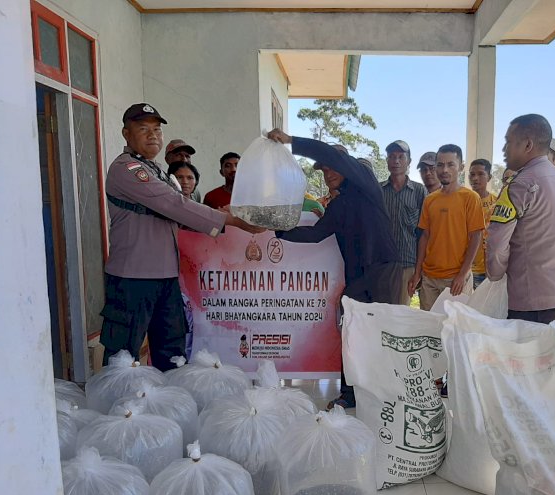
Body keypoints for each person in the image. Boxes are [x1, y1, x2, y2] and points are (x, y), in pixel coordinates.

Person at [101, 103, 263, 371]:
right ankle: (117, 409)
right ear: (126, 134)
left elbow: (180, 212)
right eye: (143, 129)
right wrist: (231, 220)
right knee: (122, 355)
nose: (153, 135)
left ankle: (168, 407)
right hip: (133, 278)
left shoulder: (155, 171)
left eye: (157, 129)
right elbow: (174, 205)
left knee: (172, 352)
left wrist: (225, 216)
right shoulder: (127, 170)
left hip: (165, 276)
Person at [266, 128, 399, 409]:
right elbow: (316, 234)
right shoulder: (338, 204)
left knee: (382, 334)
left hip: (382, 271)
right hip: (357, 277)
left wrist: (291, 141)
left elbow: (329, 153)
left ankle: (386, 394)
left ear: (346, 166)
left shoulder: (366, 183)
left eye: (333, 167)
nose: (328, 173)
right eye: (324, 170)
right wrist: (276, 230)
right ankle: (350, 395)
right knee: (351, 333)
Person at [486, 114, 555, 324]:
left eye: (509, 142)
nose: (504, 149)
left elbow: (496, 244)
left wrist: (495, 275)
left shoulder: (520, 184)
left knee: (527, 356)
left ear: (527, 144)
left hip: (532, 302)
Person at [407, 144, 485, 311]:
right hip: (429, 278)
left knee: (455, 329)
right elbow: (425, 236)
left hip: (456, 278)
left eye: (451, 164)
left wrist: (462, 275)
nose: (445, 169)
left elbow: (476, 237)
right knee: (430, 328)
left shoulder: (470, 198)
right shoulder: (430, 200)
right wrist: (417, 272)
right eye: (440, 165)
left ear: (461, 167)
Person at [380, 140, 428, 305]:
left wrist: (418, 270)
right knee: (380, 311)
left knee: (400, 313)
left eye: (401, 156)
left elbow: (424, 233)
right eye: (392, 157)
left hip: (407, 264)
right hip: (382, 264)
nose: (396, 161)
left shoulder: (419, 191)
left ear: (409, 161)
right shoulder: (379, 191)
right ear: (387, 160)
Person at [468, 158, 497, 288]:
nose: (475, 178)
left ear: (489, 177)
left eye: (480, 174)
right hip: (469, 268)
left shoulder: (497, 203)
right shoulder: (464, 202)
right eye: (472, 174)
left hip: (491, 268)